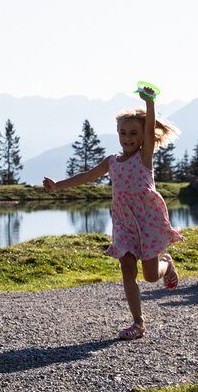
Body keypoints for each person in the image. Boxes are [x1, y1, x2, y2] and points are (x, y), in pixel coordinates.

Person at [43, 85, 182, 341]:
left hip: (148, 221)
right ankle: (138, 324)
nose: (127, 138)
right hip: (124, 224)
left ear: (142, 137)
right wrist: (57, 185)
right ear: (117, 134)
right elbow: (87, 176)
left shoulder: (144, 157)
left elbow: (151, 129)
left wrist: (150, 103)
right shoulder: (111, 162)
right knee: (127, 268)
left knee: (151, 277)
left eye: (133, 134)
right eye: (123, 133)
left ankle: (167, 264)